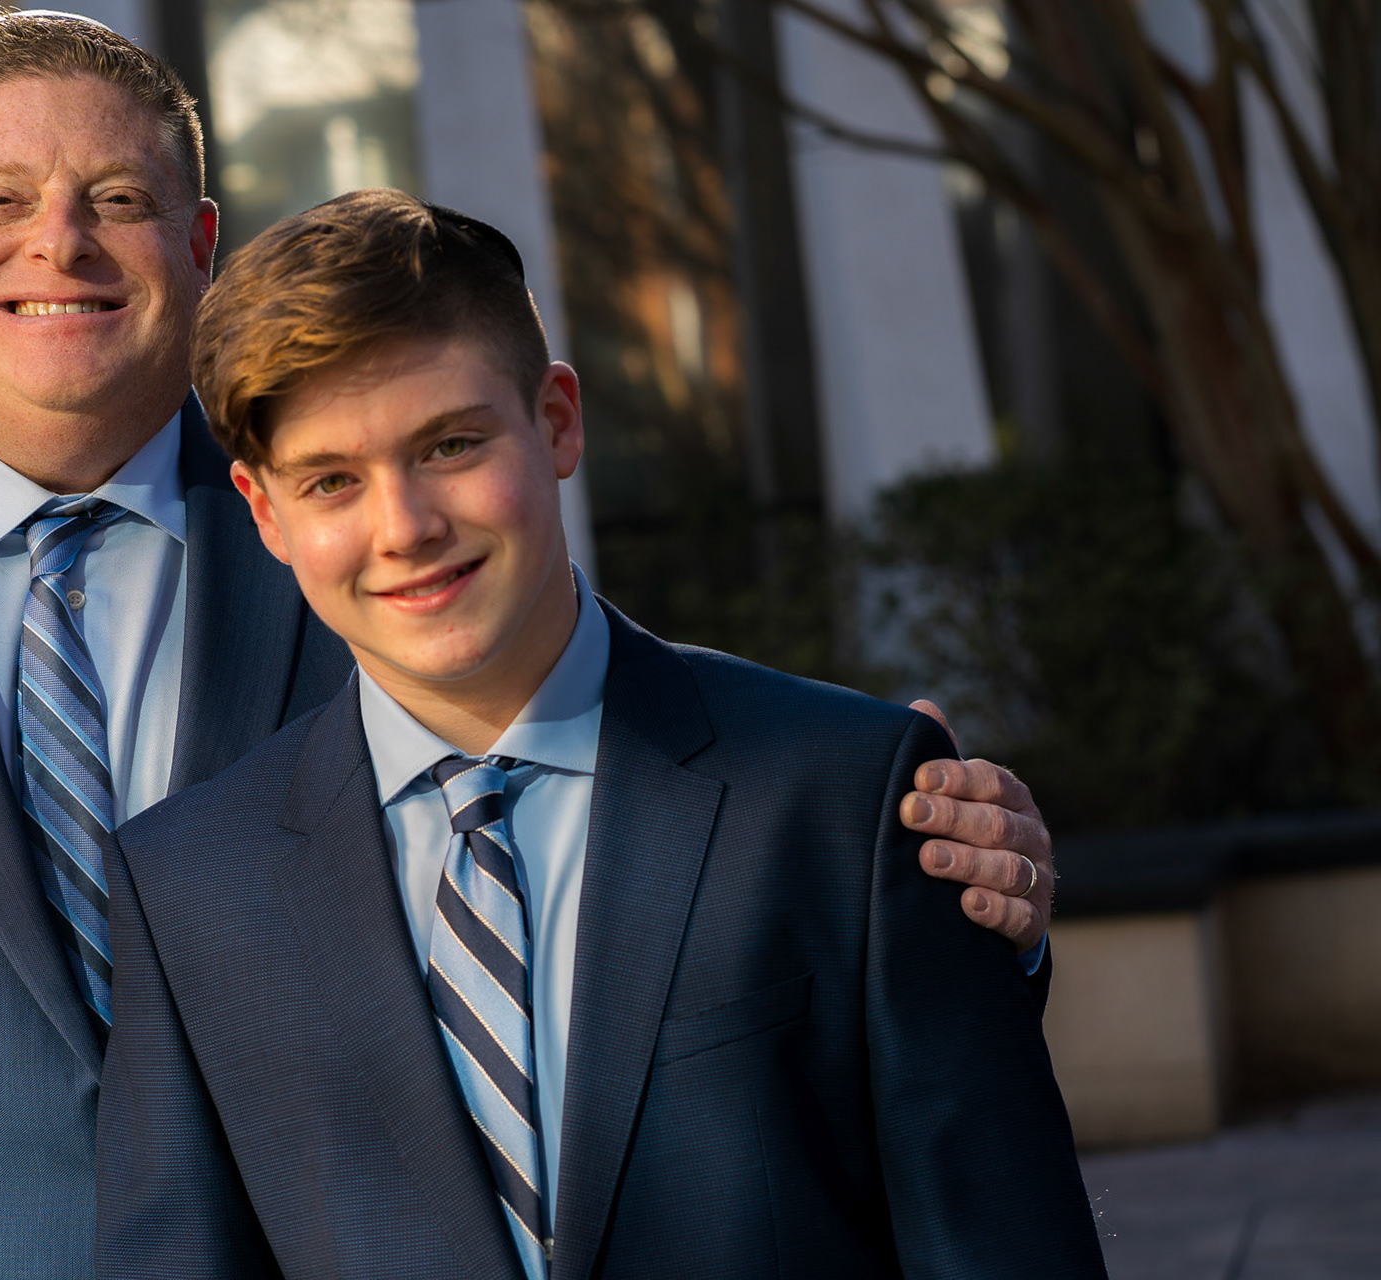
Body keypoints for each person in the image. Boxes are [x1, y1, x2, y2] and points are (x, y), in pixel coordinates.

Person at [0, 12, 1054, 1278]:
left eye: (117, 200)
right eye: (0, 199)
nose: (62, 243)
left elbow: (661, 857)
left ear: (199, 242)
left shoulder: (347, 530)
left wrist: (943, 894)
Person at [95, 189, 1104, 1278]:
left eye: (450, 445)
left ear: (558, 421)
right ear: (266, 511)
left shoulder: (845, 797)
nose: (405, 527)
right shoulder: (190, 888)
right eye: (333, 481)